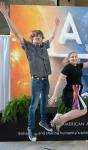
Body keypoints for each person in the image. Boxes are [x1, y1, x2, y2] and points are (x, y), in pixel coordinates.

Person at [0, 2, 60, 142]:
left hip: (46, 80)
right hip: (36, 81)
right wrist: (5, 14)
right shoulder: (28, 47)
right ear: (32, 39)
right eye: (35, 37)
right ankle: (30, 129)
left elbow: (51, 37)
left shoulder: (44, 46)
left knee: (44, 103)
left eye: (39, 36)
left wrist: (57, 27)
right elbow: (16, 32)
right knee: (33, 106)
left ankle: (43, 122)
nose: (38, 38)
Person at [48, 45, 88, 131]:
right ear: (69, 59)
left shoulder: (79, 66)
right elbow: (59, 81)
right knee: (83, 110)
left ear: (77, 58)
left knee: (80, 110)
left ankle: (60, 119)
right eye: (72, 57)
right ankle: (58, 119)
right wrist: (54, 95)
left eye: (75, 56)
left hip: (76, 91)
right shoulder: (68, 67)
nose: (74, 58)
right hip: (71, 91)